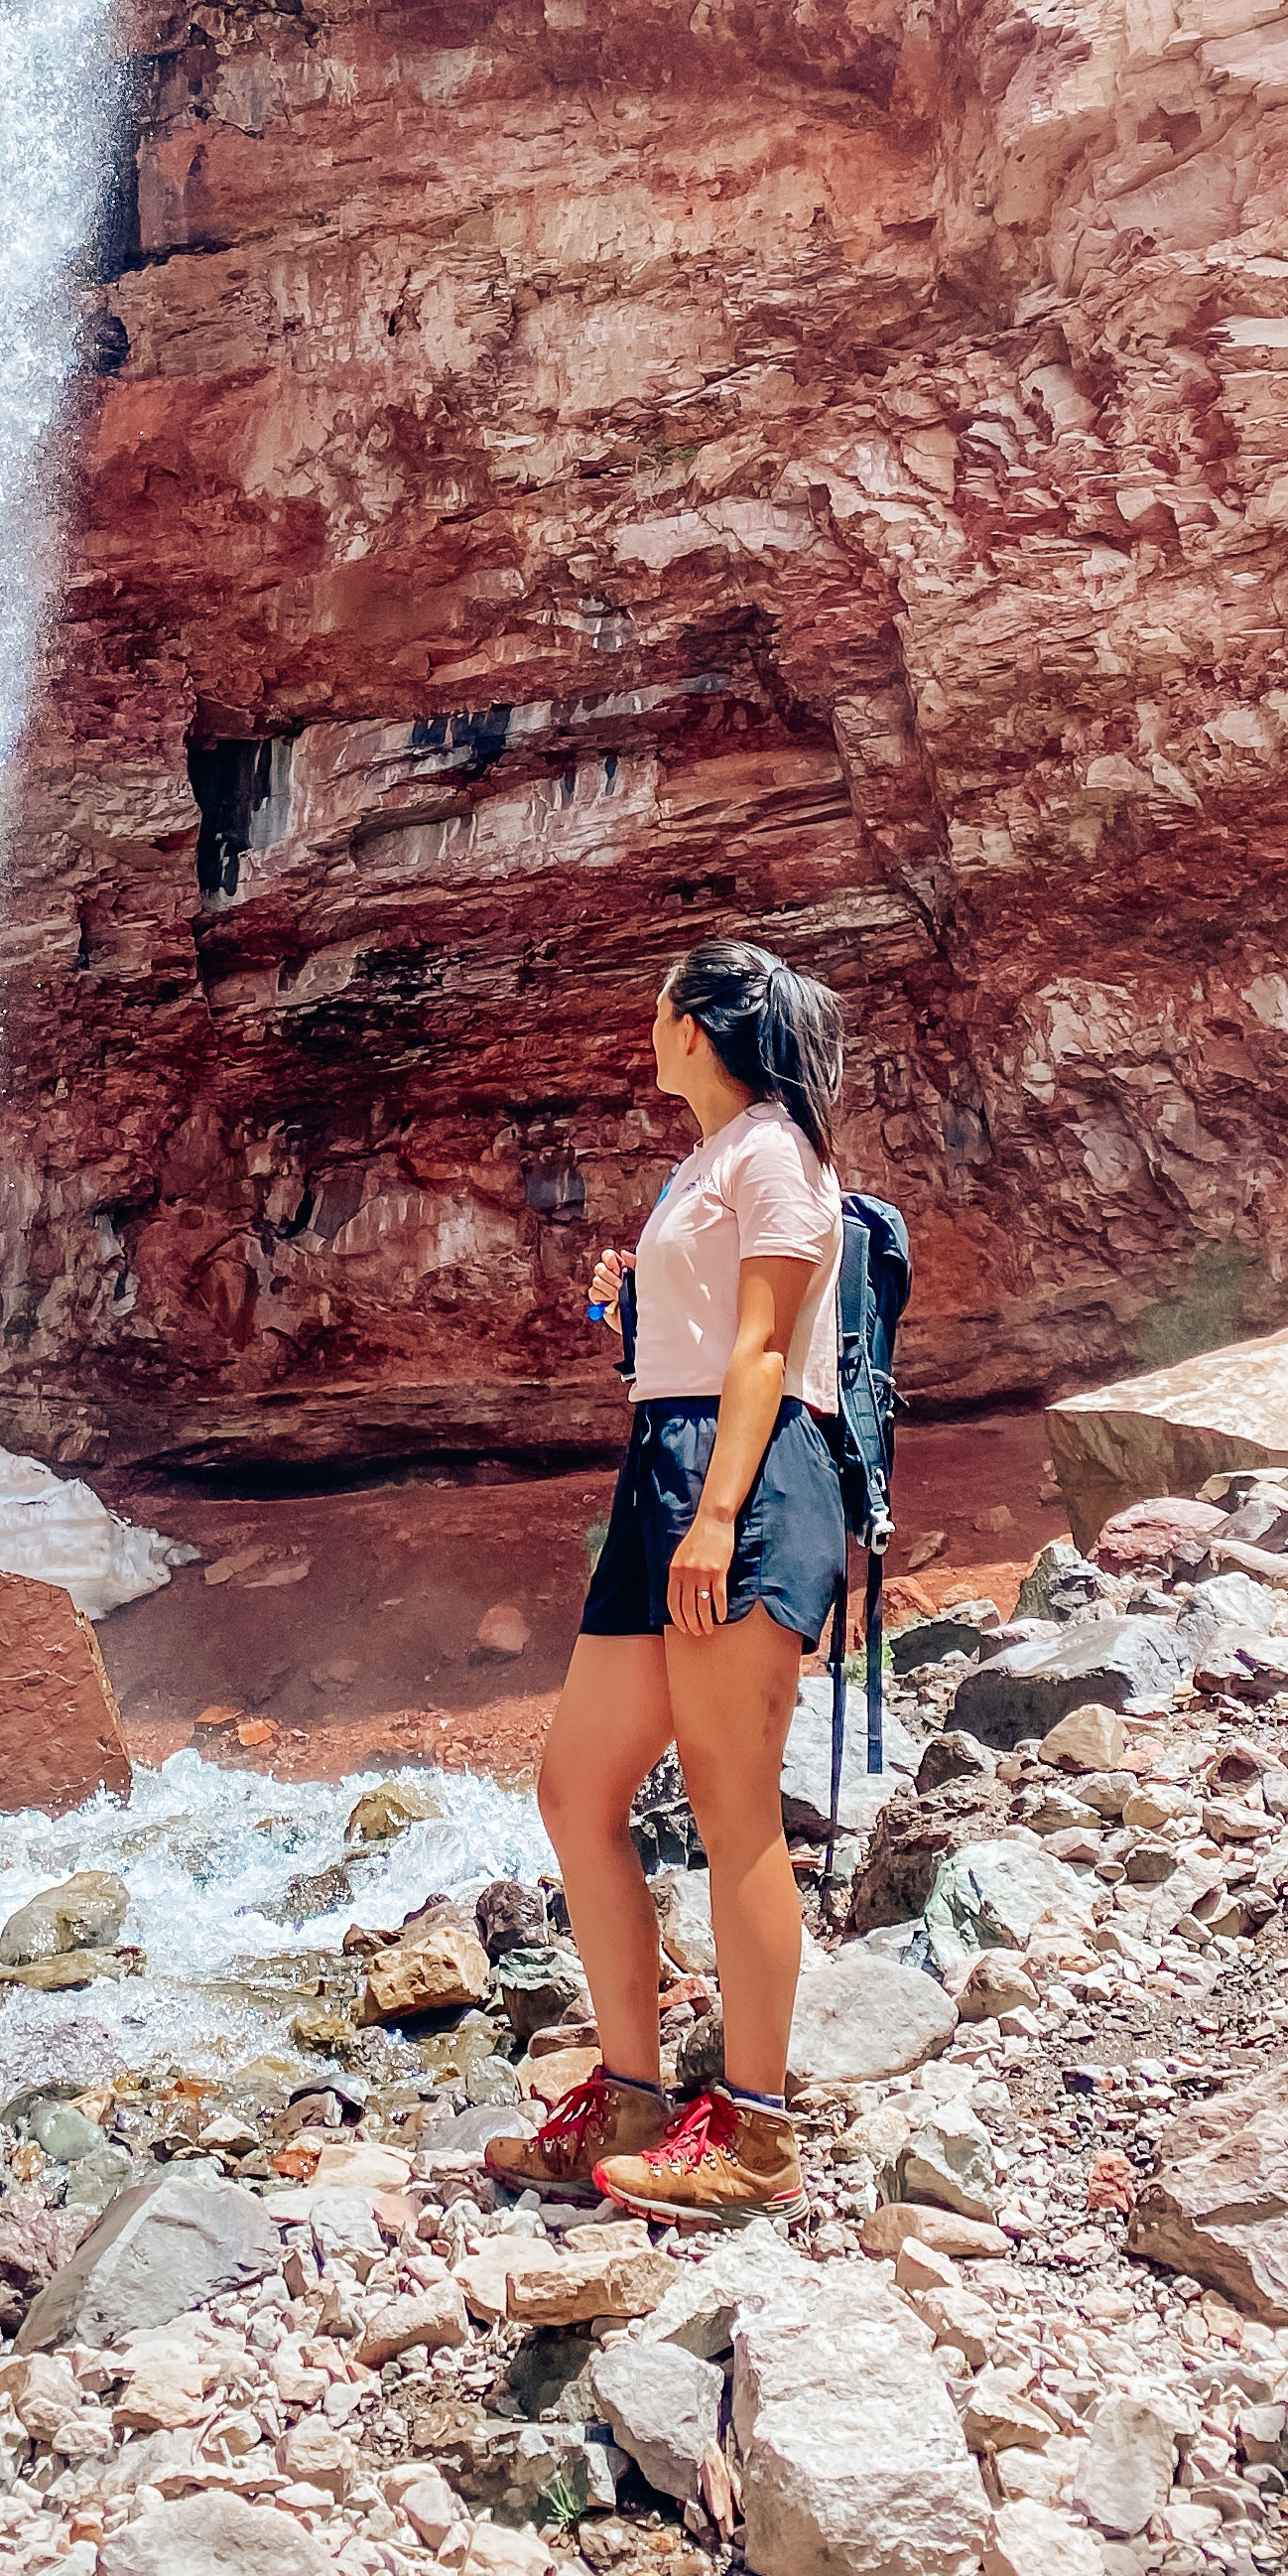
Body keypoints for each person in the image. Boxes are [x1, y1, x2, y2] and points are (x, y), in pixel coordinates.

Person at [487, 937, 849, 2229]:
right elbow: (691, 1346)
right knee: (576, 1784)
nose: (644, 1029)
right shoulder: (703, 1166)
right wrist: (622, 1309)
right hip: (667, 1470)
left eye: (657, 1013)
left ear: (697, 1025)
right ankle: (633, 2094)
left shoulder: (777, 1153)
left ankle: (755, 2136)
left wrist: (716, 1517)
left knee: (730, 1803)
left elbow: (763, 1350)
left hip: (741, 1485)